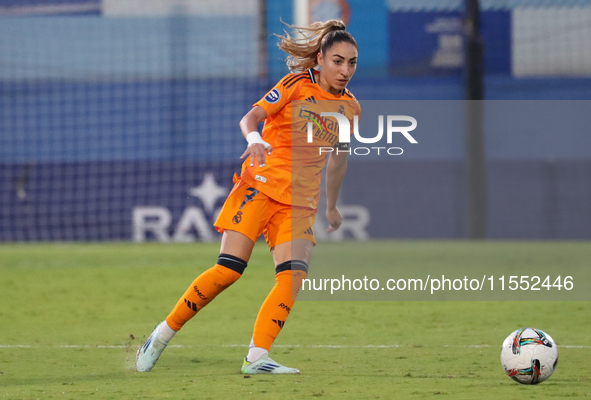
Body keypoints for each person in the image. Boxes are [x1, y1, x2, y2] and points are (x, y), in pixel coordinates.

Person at [136, 19, 360, 375]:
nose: (345, 69)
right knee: (228, 271)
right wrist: (254, 138)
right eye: (338, 60)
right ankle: (161, 336)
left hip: (299, 204)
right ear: (319, 59)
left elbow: (338, 163)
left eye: (351, 62)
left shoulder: (350, 109)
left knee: (293, 278)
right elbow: (251, 116)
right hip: (260, 188)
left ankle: (257, 357)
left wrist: (331, 207)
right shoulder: (295, 85)